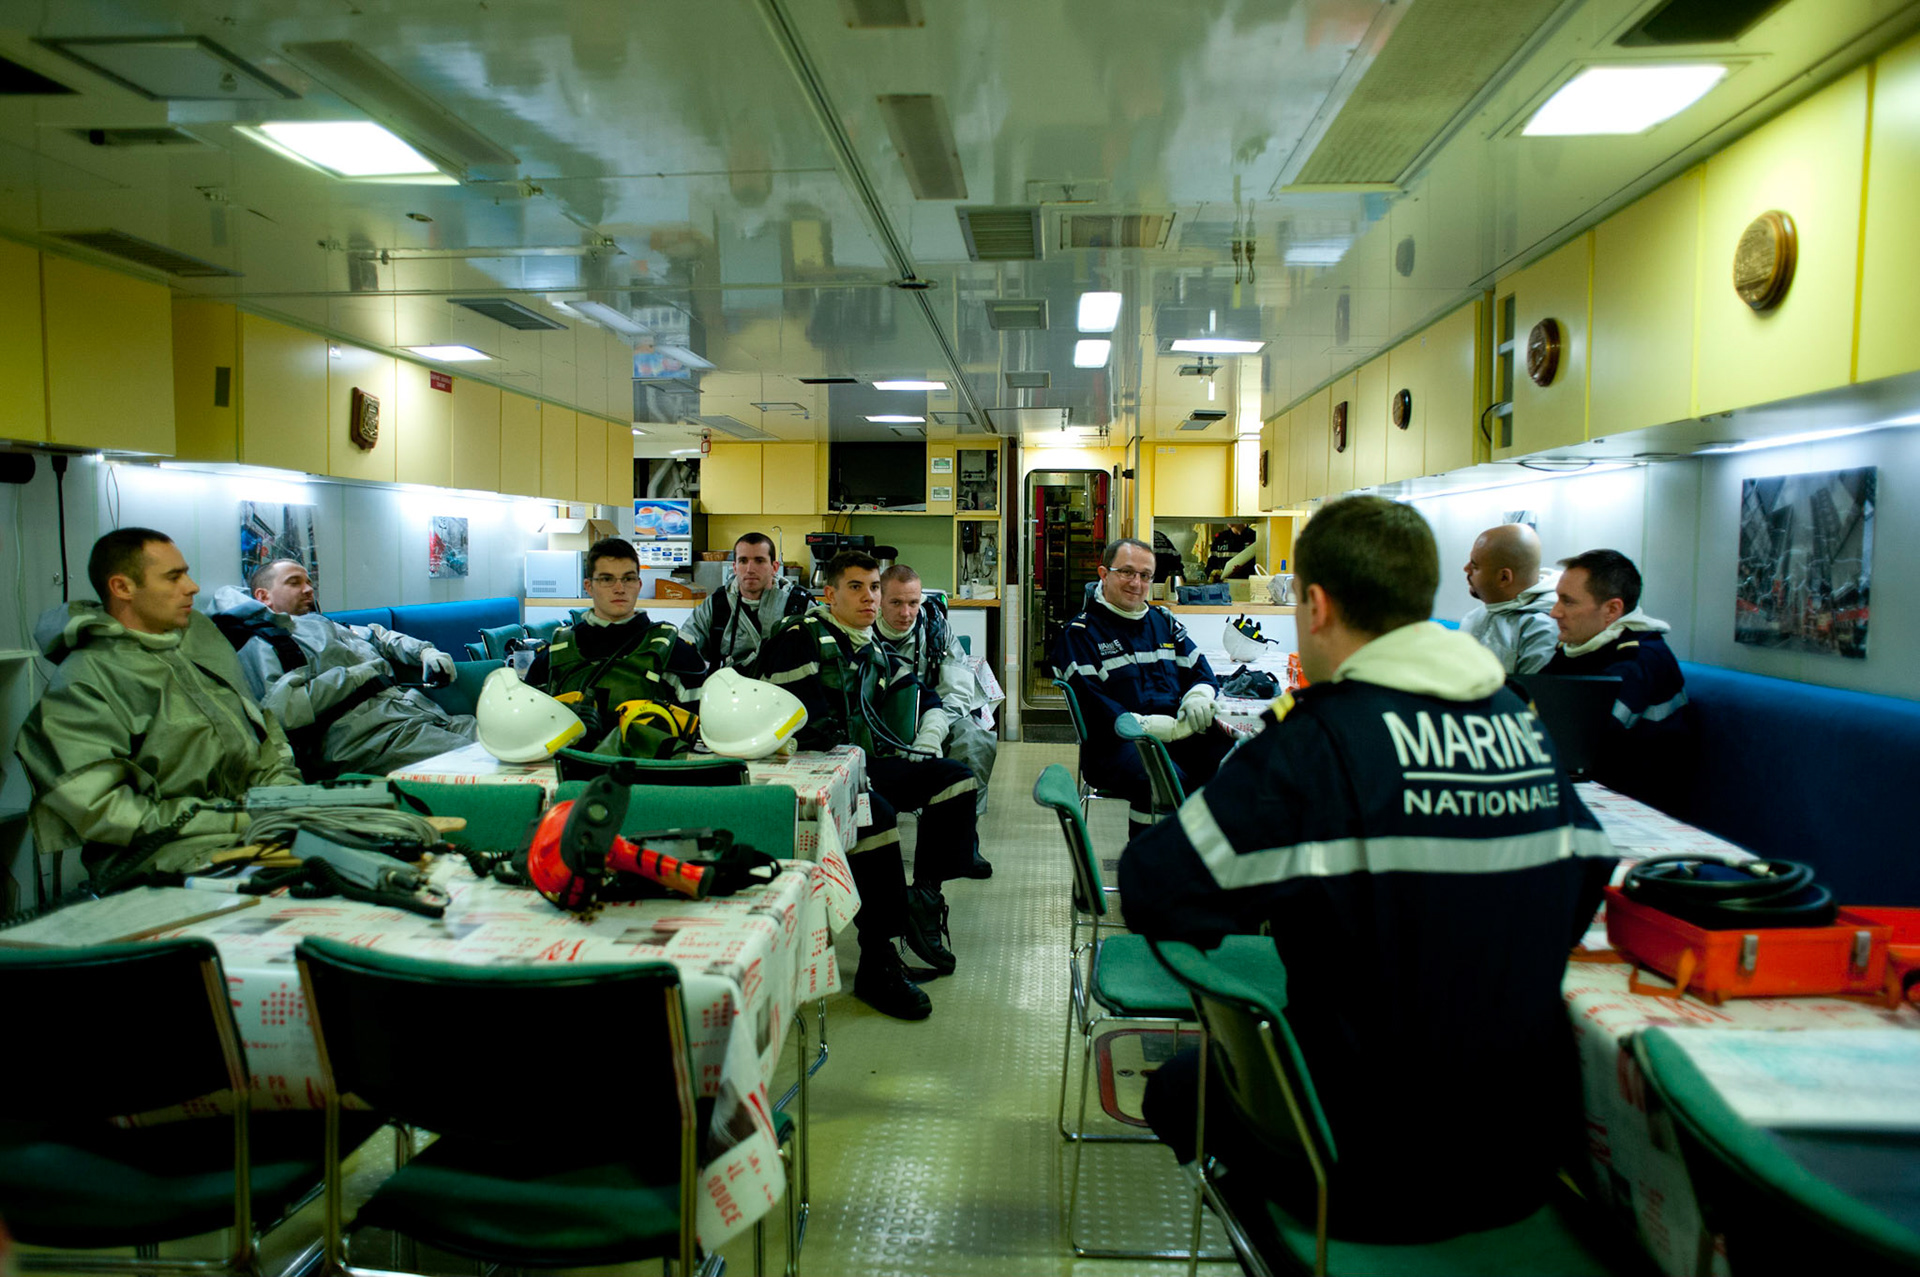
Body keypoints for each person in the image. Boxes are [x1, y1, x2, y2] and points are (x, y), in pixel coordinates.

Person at [1122, 496, 1617, 1246]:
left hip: (1362, 1166)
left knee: (1177, 1086)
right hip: (1523, 1160)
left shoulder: (1314, 744)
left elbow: (1155, 890)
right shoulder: (1519, 723)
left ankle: (1301, 1249)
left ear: (1314, 605)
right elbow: (1587, 867)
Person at [759, 551, 980, 1021]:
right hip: (809, 777)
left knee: (955, 782)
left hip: (860, 766)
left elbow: (924, 696)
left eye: (874, 587)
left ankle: (922, 899)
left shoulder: (870, 647)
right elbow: (809, 725)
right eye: (856, 587)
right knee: (875, 812)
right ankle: (876, 962)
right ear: (830, 594)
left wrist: (928, 738)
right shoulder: (801, 639)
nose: (870, 597)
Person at [16, 528, 303, 883]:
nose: (192, 586)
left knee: (370, 853)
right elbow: (106, 811)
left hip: (256, 834)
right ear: (122, 588)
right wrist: (235, 816)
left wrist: (286, 800)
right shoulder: (85, 681)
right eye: (174, 577)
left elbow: (263, 738)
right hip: (163, 859)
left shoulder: (199, 641)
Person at [210, 560, 474, 775]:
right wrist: (355, 676)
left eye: (309, 582)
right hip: (364, 736)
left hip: (414, 713)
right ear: (263, 596)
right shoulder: (262, 641)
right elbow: (282, 710)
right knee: (481, 761)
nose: (308, 589)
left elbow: (378, 636)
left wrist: (425, 651)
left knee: (506, 738)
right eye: (294, 583)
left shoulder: (326, 624)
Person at [1052, 537, 1231, 836]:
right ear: (1103, 574)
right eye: (1126, 572)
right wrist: (1149, 727)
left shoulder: (1164, 622)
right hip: (1118, 745)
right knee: (1162, 778)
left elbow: (1200, 671)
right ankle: (1149, 870)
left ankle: (1208, 865)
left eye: (1145, 575)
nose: (1136, 583)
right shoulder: (1080, 634)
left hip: (1179, 734)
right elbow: (1094, 707)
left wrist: (1199, 697)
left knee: (1236, 761)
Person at [1544, 548, 1691, 811]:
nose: (1555, 612)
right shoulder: (1579, 646)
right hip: (1589, 789)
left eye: (1568, 601)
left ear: (1612, 609)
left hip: (1638, 805)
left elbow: (1581, 744)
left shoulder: (1639, 660)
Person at [526, 536, 707, 744]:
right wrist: (561, 717)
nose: (619, 588)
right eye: (606, 579)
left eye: (628, 579)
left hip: (648, 772)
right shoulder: (554, 657)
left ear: (639, 585)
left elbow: (702, 734)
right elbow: (526, 729)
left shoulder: (676, 653)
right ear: (588, 586)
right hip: (570, 771)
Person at [875, 565, 997, 870]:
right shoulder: (862, 630)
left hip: (936, 718)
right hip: (877, 723)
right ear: (878, 600)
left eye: (913, 603)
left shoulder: (936, 630)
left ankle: (965, 839)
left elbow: (957, 694)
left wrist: (933, 730)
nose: (906, 613)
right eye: (896, 603)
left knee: (975, 739)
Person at [679, 532, 810, 674]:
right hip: (729, 691)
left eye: (759, 561)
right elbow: (685, 645)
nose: (750, 569)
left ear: (774, 567)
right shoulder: (715, 605)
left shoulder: (798, 605)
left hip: (783, 691)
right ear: (734, 567)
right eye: (743, 561)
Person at [1459, 521, 1560, 674]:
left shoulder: (1541, 630)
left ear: (1504, 577)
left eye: (1475, 566)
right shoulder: (1476, 616)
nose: (1466, 569)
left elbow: (1529, 694)